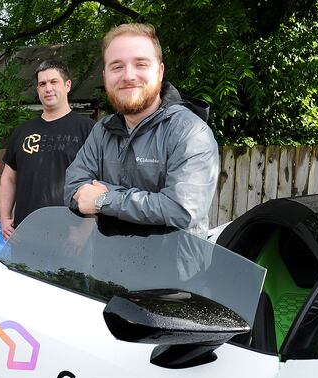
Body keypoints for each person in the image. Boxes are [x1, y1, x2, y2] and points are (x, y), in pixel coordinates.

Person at [64, 23, 219, 237]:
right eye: (117, 66)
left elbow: (181, 209)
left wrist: (103, 199)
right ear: (105, 75)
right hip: (107, 265)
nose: (128, 76)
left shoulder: (190, 132)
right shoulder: (102, 130)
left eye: (141, 64)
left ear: (160, 71)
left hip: (172, 268)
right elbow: (73, 187)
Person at [0, 60, 95, 239]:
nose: (47, 88)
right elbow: (8, 178)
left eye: (53, 82)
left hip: (71, 237)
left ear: (67, 85)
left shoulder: (88, 129)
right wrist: (4, 218)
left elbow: (99, 182)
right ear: (37, 90)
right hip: (25, 234)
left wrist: (85, 230)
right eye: (42, 84)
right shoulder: (23, 131)